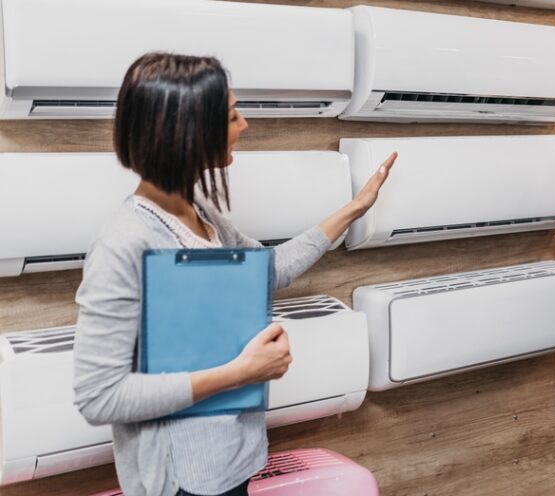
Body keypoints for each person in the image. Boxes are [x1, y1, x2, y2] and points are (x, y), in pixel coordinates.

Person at [72, 53, 396, 496]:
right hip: (180, 484)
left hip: (234, 462)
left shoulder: (204, 217)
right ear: (186, 131)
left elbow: (269, 270)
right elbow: (100, 396)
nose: (243, 126)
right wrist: (239, 373)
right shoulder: (124, 242)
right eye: (231, 116)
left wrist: (353, 211)